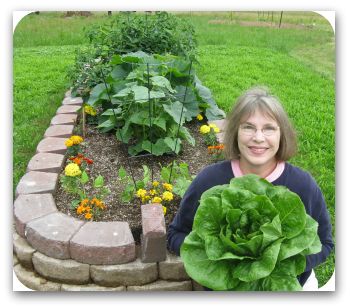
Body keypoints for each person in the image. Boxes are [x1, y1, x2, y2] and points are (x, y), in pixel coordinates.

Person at [167, 86, 334, 289]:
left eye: (269, 128)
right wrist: (214, 258)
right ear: (235, 132)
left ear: (282, 134)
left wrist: (281, 266)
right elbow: (176, 234)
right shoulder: (209, 180)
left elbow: (324, 244)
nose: (258, 137)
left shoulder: (303, 185)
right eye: (248, 127)